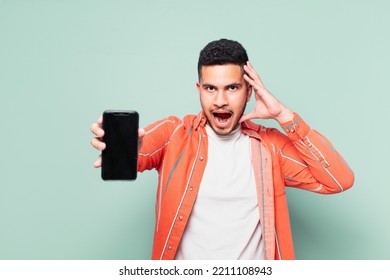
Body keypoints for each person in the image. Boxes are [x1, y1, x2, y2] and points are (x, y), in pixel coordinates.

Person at [90, 39, 354, 260]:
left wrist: (285, 116)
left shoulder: (270, 148)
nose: (220, 101)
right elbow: (139, 154)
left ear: (249, 91)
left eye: (232, 88)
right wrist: (121, 147)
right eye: (210, 88)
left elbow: (338, 180)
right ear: (199, 90)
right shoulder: (175, 134)